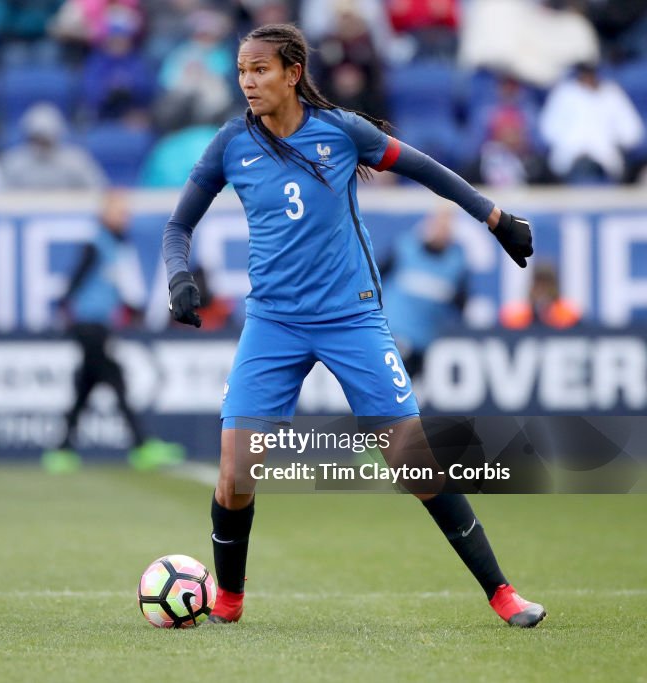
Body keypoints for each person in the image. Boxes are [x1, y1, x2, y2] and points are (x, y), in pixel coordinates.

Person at [162, 23, 543, 627]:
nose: (247, 82)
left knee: (413, 461)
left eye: (259, 70)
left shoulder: (341, 132)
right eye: (241, 71)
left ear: (292, 73)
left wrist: (494, 217)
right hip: (274, 323)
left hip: (351, 318)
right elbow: (178, 226)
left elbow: (425, 169)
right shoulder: (230, 144)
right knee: (236, 473)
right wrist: (179, 277)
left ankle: (503, 594)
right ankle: (228, 601)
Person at [43, 191, 185, 473]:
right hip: (89, 326)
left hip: (97, 324)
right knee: (115, 379)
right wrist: (63, 307)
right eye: (120, 212)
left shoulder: (114, 247)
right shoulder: (96, 245)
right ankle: (141, 446)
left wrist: (133, 309)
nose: (125, 218)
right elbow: (77, 278)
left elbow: (111, 287)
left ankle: (61, 451)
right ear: (104, 214)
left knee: (85, 387)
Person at [380, 206, 467, 379]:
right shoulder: (404, 248)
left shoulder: (456, 265)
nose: (441, 230)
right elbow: (375, 278)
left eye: (447, 226)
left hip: (422, 343)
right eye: (438, 224)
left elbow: (461, 305)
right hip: (390, 336)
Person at [500, 262, 580, 330]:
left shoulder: (569, 316)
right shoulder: (517, 317)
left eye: (547, 285)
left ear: (555, 287)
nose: (542, 290)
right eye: (538, 284)